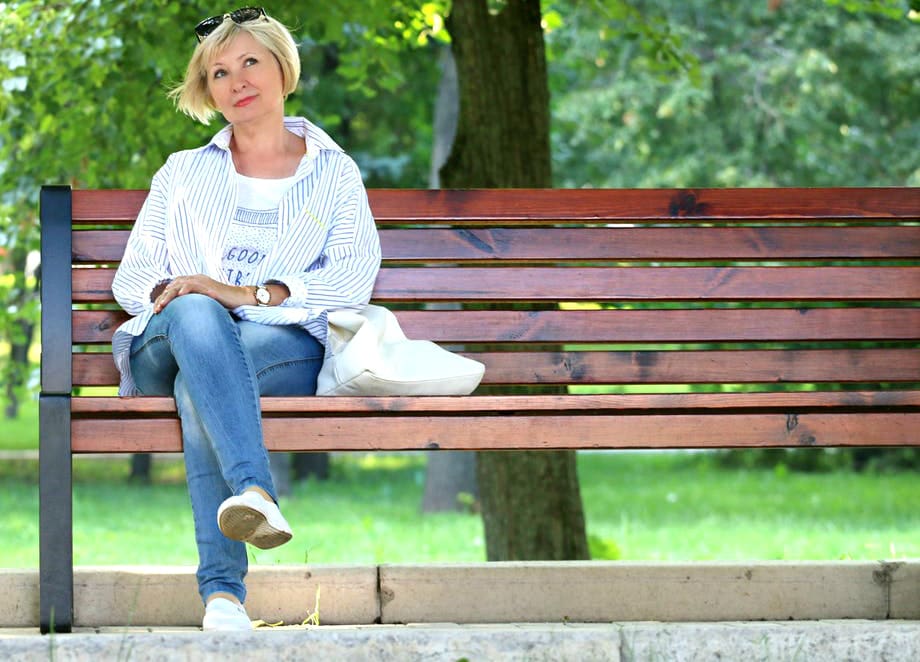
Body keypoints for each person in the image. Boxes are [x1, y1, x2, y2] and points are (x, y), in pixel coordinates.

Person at [111, 6, 381, 631]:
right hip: (166, 343)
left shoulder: (333, 174)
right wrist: (194, 297)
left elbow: (351, 277)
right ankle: (255, 492)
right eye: (219, 73)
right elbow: (133, 277)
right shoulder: (182, 172)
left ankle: (223, 598)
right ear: (208, 91)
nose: (236, 81)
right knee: (197, 318)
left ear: (283, 69)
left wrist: (246, 294)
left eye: (249, 62)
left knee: (200, 382)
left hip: (276, 347)